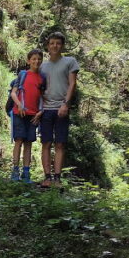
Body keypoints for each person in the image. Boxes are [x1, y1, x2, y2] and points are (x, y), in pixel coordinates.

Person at [38, 32, 80, 189]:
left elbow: (72, 84)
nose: (55, 46)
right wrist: (40, 107)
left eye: (58, 43)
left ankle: (57, 178)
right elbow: (38, 88)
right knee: (46, 143)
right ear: (48, 46)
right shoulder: (42, 66)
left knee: (60, 144)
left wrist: (65, 104)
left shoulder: (70, 62)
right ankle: (47, 178)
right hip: (46, 110)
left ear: (62, 46)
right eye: (52, 43)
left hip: (61, 108)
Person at [8, 49, 45, 183]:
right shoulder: (23, 75)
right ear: (29, 61)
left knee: (28, 143)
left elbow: (42, 97)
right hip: (19, 113)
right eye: (34, 59)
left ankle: (26, 172)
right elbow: (14, 93)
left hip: (33, 116)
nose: (36, 61)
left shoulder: (42, 78)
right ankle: (15, 171)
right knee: (18, 141)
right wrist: (19, 105)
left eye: (39, 59)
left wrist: (40, 112)